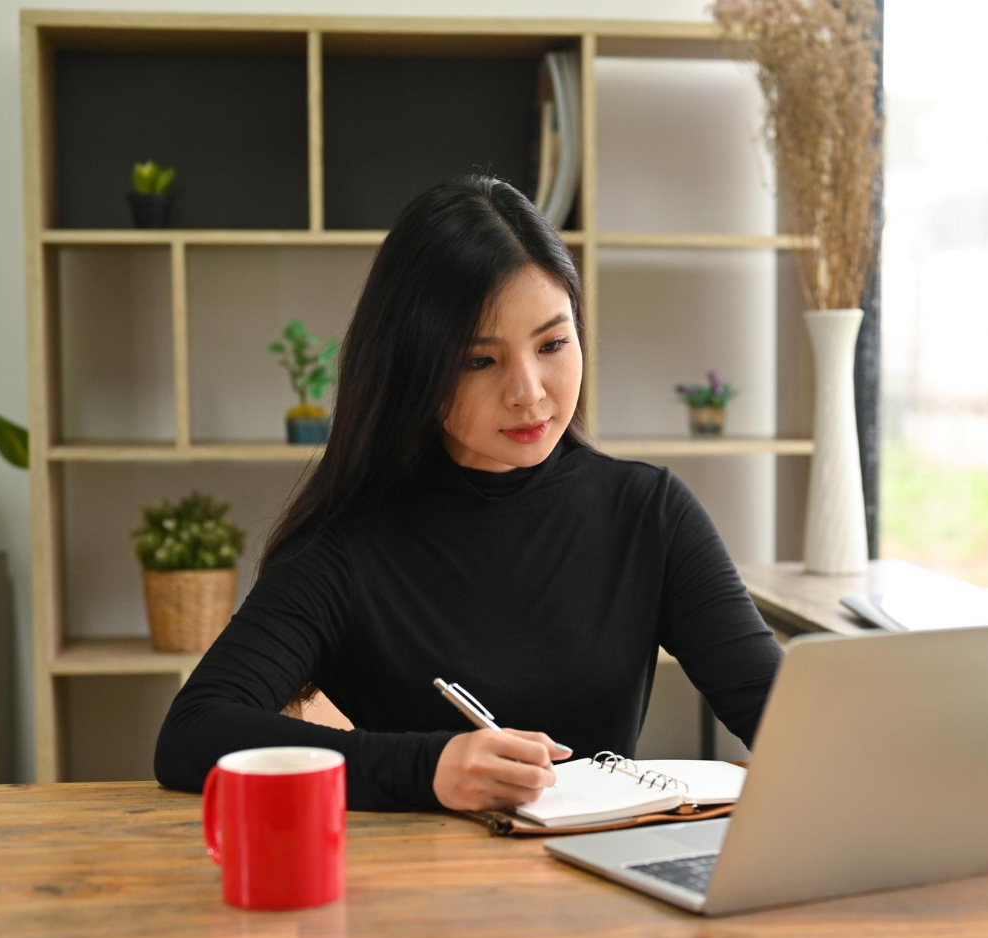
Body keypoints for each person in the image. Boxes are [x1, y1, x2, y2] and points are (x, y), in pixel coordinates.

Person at [153, 174, 784, 812]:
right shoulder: (346, 546)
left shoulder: (647, 513)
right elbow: (194, 732)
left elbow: (778, 711)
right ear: (414, 369)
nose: (530, 390)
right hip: (421, 892)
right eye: (479, 361)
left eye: (553, 344)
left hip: (606, 887)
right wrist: (428, 767)